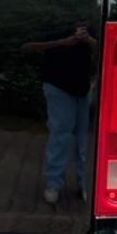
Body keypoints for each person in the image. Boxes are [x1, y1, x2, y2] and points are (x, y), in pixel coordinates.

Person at [22, 21, 96, 203]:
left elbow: (107, 49)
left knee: (83, 139)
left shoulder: (92, 28)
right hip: (57, 86)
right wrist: (61, 42)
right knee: (60, 135)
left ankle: (84, 184)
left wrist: (89, 40)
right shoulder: (52, 25)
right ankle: (54, 184)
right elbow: (26, 46)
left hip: (82, 89)